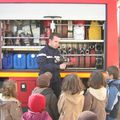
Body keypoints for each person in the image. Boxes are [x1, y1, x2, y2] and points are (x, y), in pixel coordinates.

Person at [36, 32, 67, 97]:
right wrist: (58, 66)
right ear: (50, 41)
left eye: (58, 42)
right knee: (46, 101)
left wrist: (64, 65)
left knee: (57, 99)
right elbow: (42, 66)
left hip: (56, 82)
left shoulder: (57, 52)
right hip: (46, 83)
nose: (57, 44)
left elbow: (58, 63)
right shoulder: (43, 52)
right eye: (56, 41)